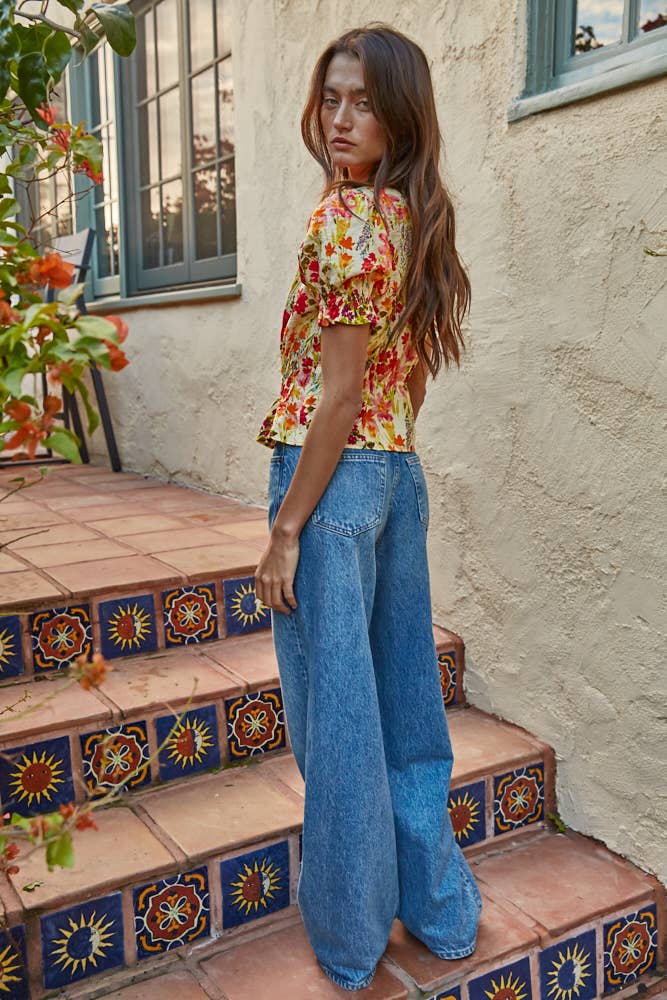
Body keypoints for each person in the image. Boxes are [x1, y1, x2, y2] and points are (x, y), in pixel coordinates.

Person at [254, 22, 482, 992]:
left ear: (400, 116)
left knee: (340, 723)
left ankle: (349, 940)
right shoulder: (411, 217)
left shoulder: (343, 220)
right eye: (331, 97)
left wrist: (286, 528)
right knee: (403, 705)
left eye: (363, 101)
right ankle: (441, 910)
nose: (342, 118)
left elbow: (338, 398)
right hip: (395, 477)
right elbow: (407, 382)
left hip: (334, 477)